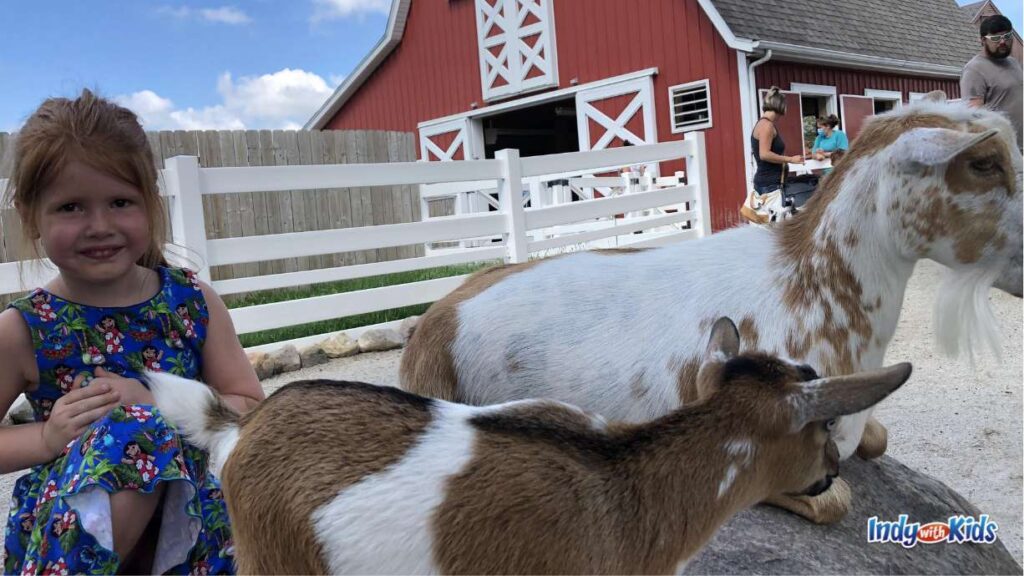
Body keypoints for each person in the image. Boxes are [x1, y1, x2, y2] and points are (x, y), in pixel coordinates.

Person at [0, 90, 265, 575]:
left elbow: (249, 409)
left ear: (150, 203)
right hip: (73, 539)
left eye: (120, 201)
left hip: (196, 535)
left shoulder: (190, 303)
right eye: (70, 207)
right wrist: (46, 438)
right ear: (29, 215)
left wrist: (157, 399)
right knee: (132, 432)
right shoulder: (25, 329)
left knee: (142, 423)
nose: (99, 225)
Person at [960, 14, 1023, 147]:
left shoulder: (1014, 63)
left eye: (1006, 37)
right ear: (983, 40)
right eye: (995, 38)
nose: (1002, 42)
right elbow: (974, 115)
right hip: (1001, 150)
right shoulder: (974, 69)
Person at [751, 86, 804, 194]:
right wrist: (790, 159)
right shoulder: (767, 125)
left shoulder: (763, 124)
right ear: (780, 106)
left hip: (769, 182)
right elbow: (764, 154)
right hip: (770, 184)